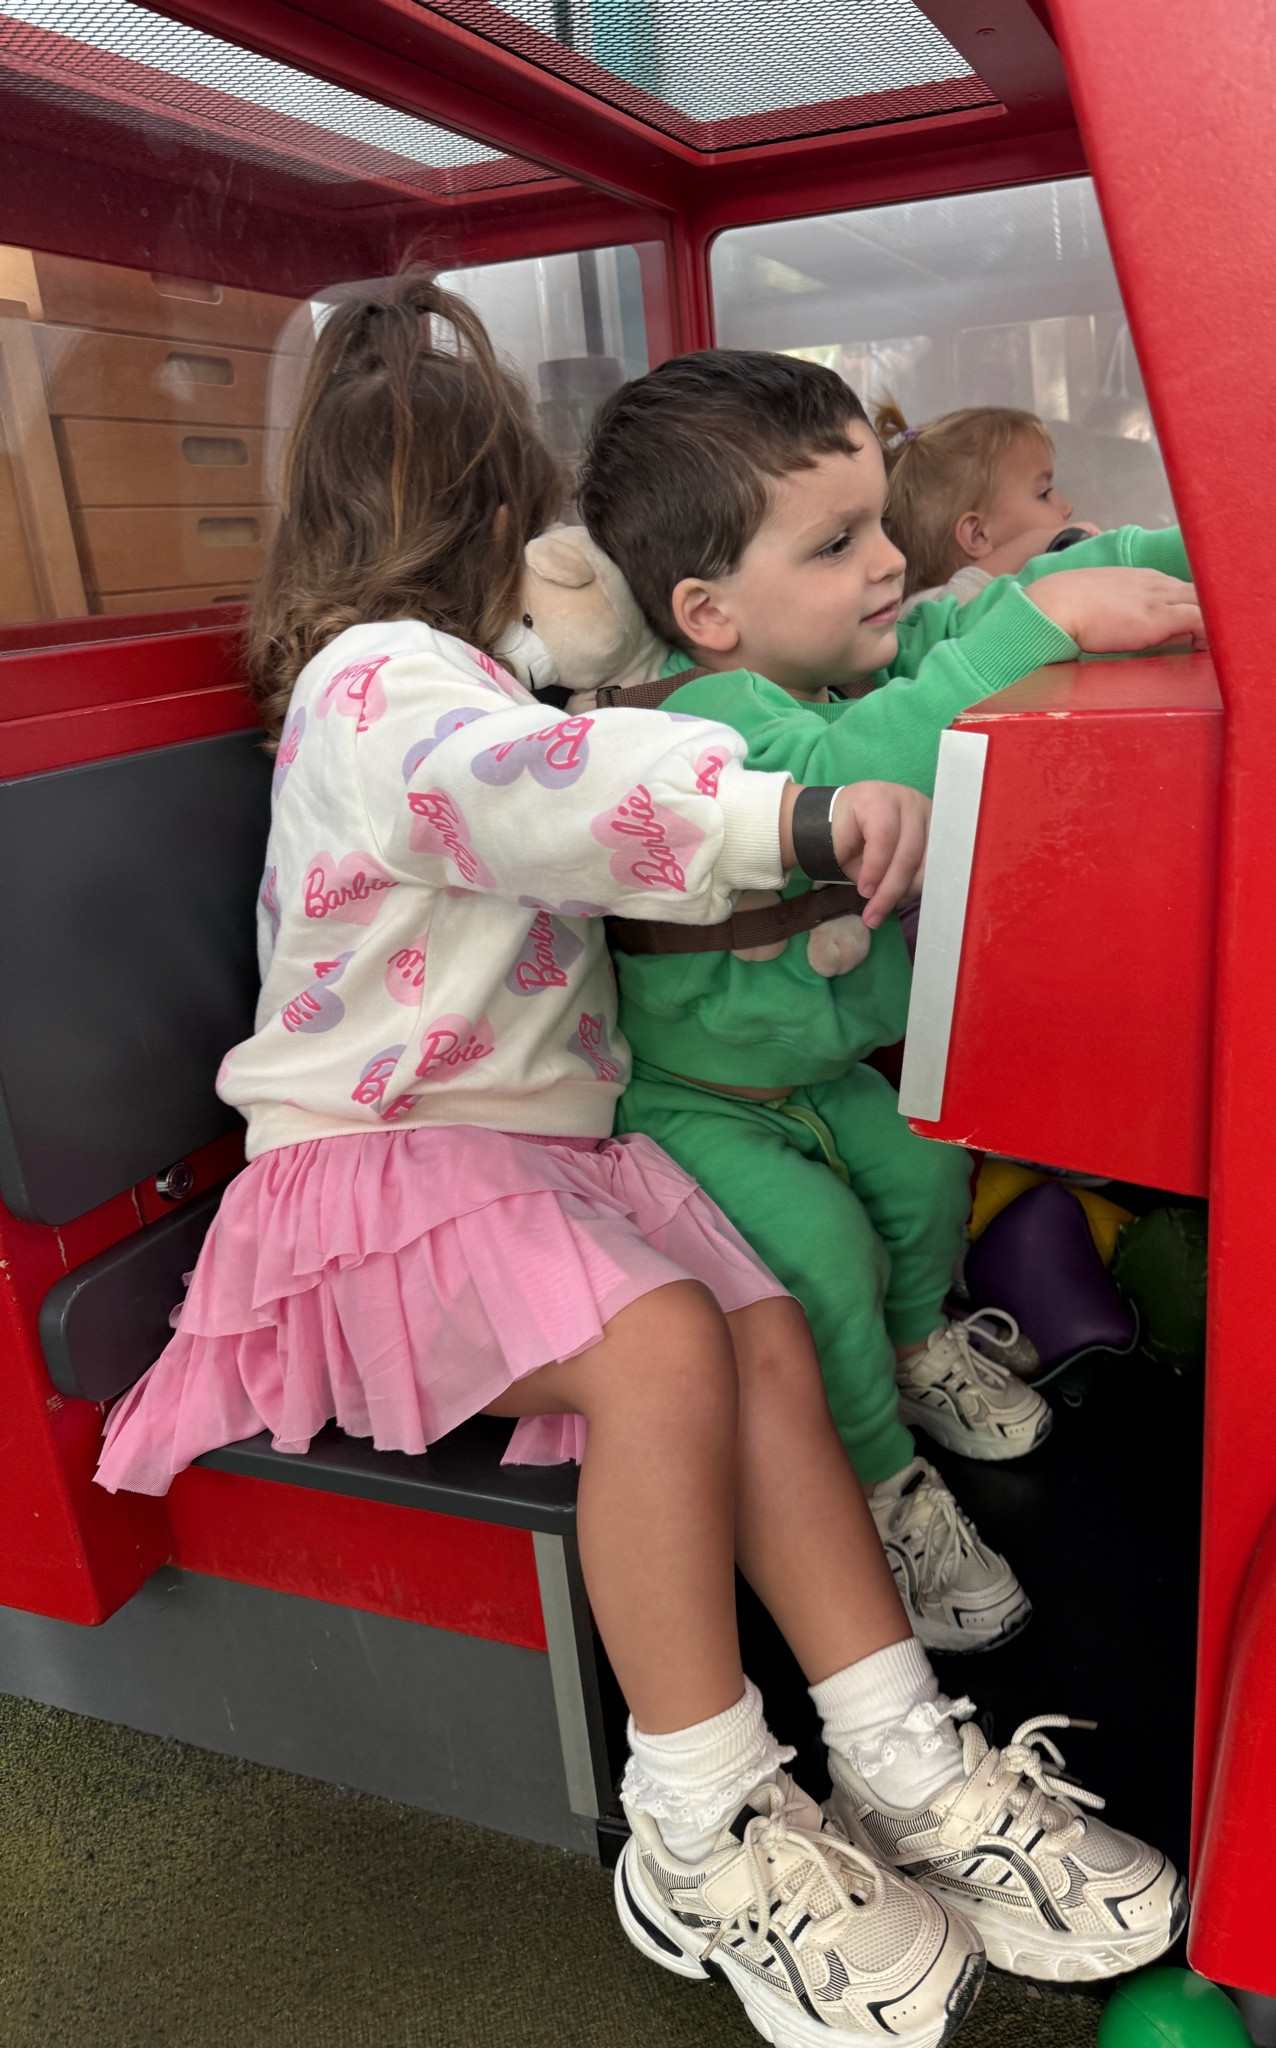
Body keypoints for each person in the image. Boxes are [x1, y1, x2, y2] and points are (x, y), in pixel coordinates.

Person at [91, 283, 1186, 2038]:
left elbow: (610, 720)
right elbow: (540, 786)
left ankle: (905, 1753)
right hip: (382, 1175)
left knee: (761, 1331)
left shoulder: (483, 674)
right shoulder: (383, 688)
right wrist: (786, 816)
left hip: (539, 1167)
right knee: (670, 1341)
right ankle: (701, 1816)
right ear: (502, 537)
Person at [578, 350, 1201, 1656]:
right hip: (701, 1106)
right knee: (822, 1259)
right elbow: (849, 762)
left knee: (926, 1182)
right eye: (837, 543)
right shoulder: (699, 726)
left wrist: (1176, 557)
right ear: (708, 613)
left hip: (822, 1077)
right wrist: (1048, 627)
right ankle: (875, 1485)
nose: (885, 564)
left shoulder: (839, 656)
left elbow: (989, 609)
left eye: (878, 526)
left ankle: (919, 1351)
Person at [873, 398, 1095, 613]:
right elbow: (961, 593)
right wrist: (1045, 540)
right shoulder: (925, 614)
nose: (1068, 507)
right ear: (978, 535)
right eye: (1044, 494)